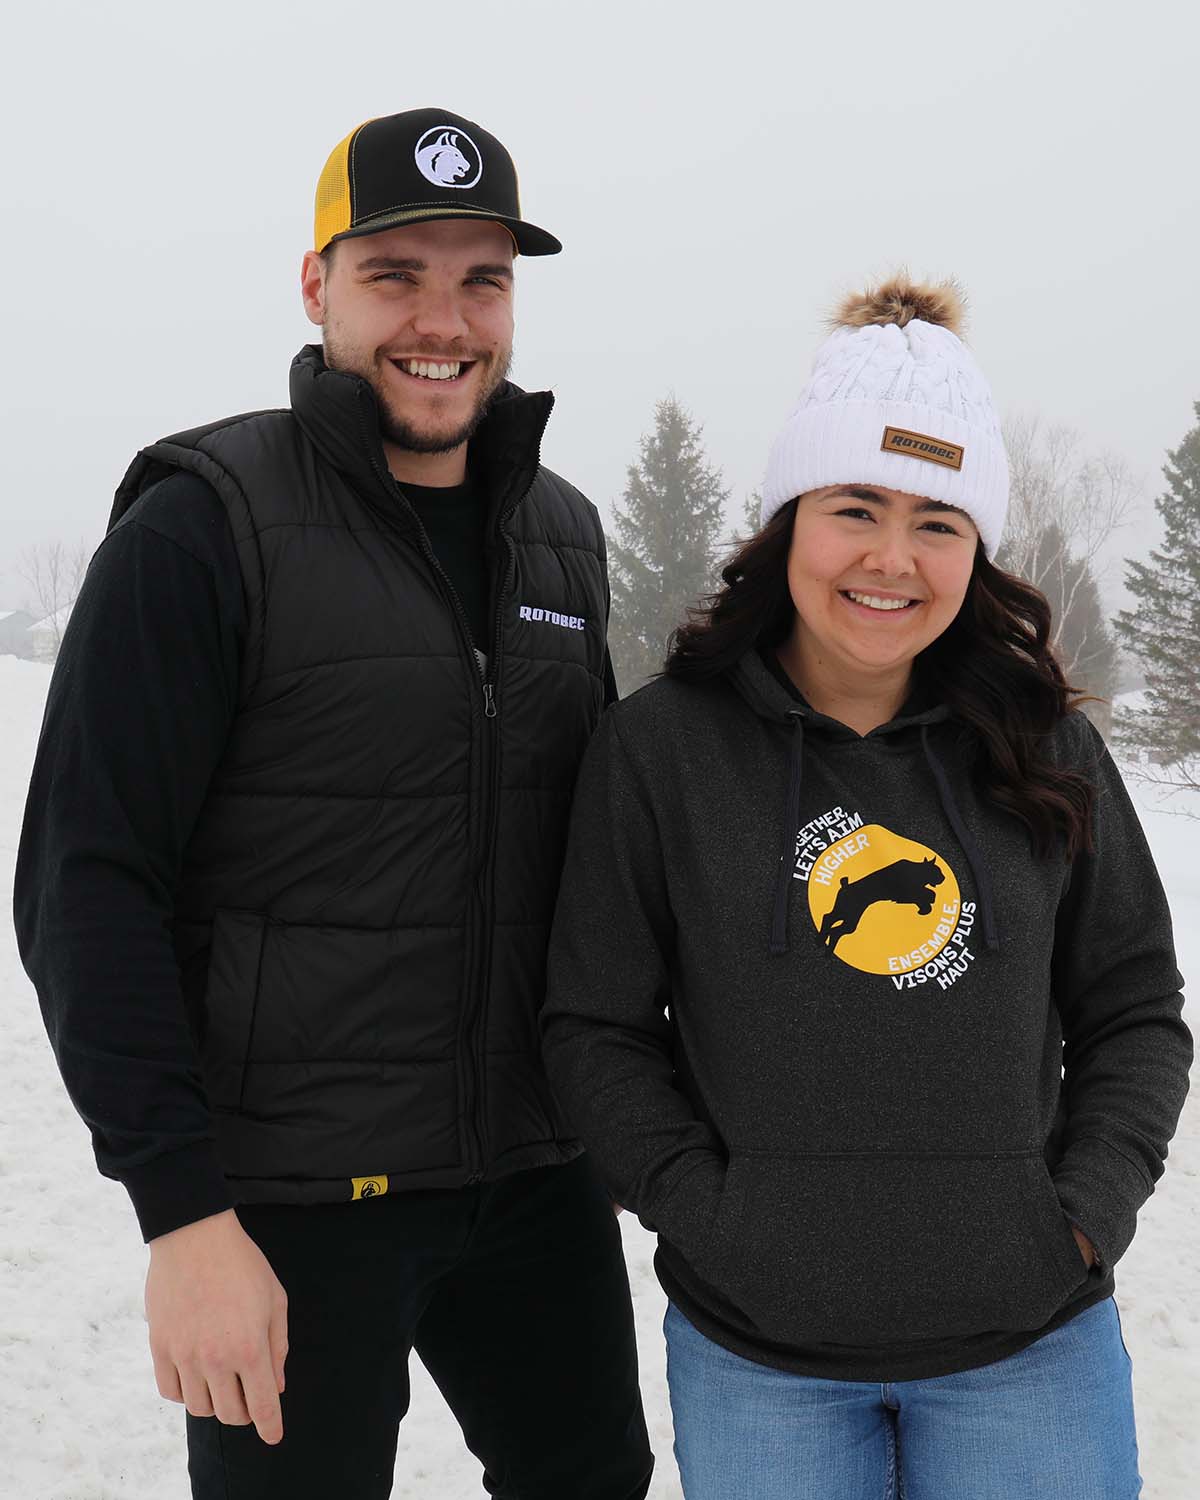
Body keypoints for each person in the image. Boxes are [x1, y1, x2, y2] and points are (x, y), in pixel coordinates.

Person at [15, 107, 651, 1500]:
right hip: (292, 1204)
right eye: (395, 275)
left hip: (532, 1175)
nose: (444, 321)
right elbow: (86, 884)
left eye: (482, 280)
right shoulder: (204, 522)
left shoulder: (562, 534)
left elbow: (599, 855)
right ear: (318, 288)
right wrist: (182, 1216)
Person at [540, 276, 1192, 1499]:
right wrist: (710, 1215)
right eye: (856, 509)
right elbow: (594, 1025)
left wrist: (1083, 1214)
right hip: (761, 1361)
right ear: (791, 520)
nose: (893, 559)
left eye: (939, 521)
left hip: (1030, 1351)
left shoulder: (1046, 747)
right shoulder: (660, 750)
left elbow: (1135, 1010)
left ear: (975, 551)